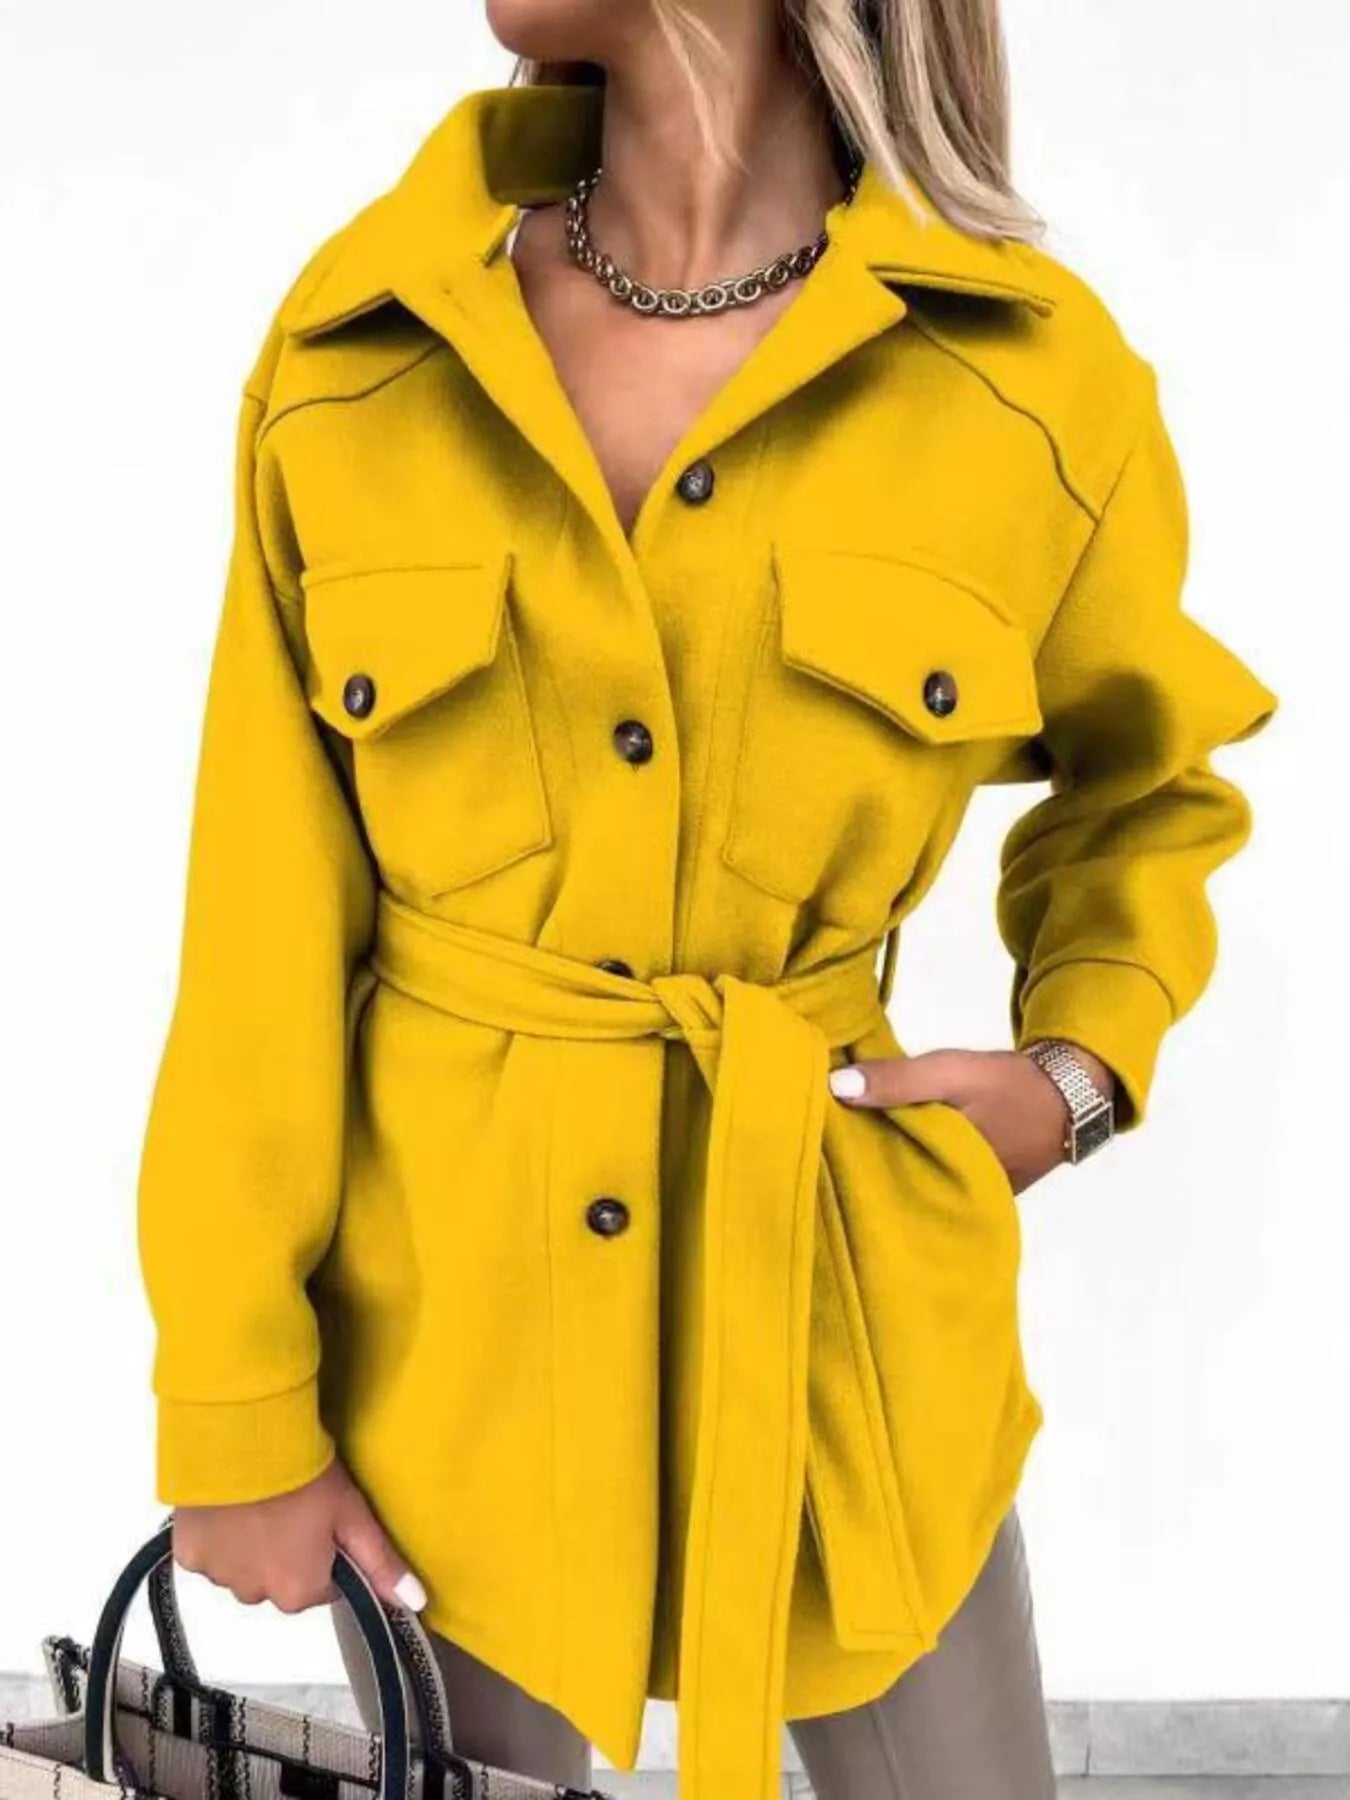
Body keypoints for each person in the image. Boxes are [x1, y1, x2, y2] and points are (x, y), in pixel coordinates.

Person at [135, 3, 1277, 1796]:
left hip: (841, 1320)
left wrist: (1072, 1072)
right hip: (451, 1358)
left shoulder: (1026, 380)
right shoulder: (366, 345)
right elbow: (256, 921)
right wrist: (235, 1402)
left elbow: (1152, 785)